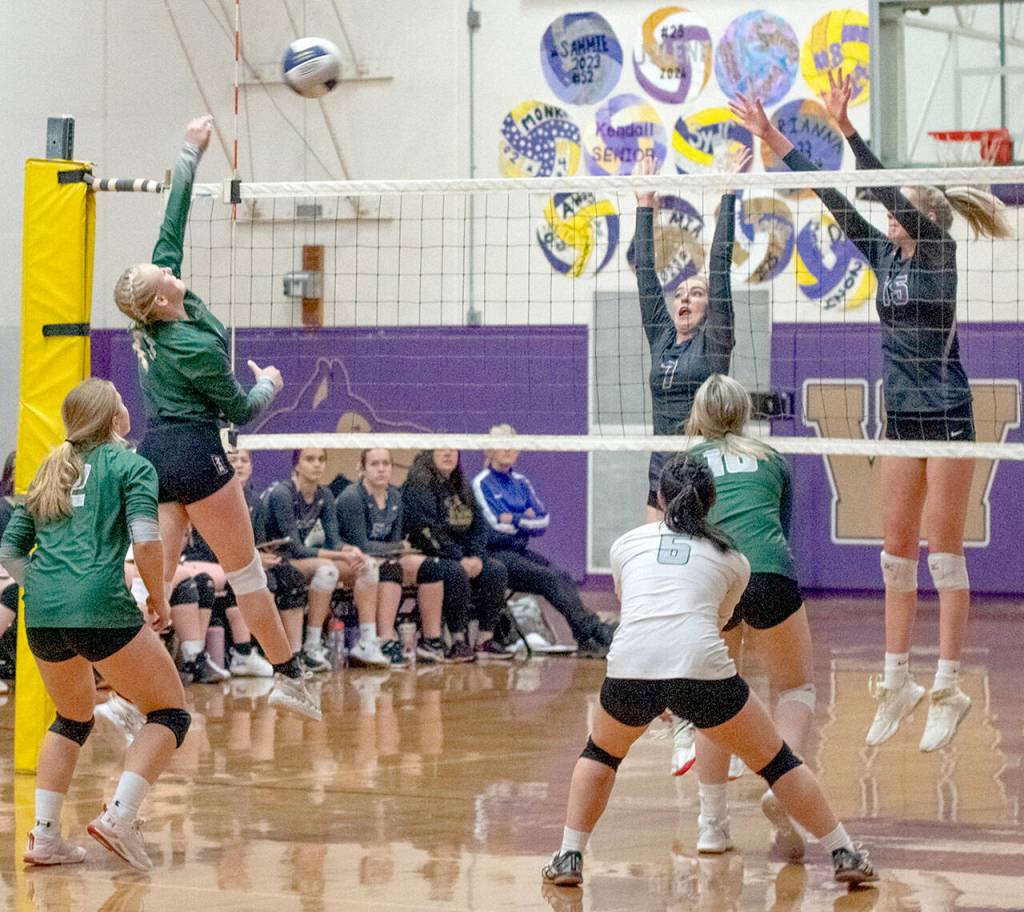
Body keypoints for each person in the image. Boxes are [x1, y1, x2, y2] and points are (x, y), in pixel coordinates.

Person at [731, 73, 1012, 752]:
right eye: (890, 214)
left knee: (943, 556)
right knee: (894, 559)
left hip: (947, 415)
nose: (889, 218)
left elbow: (882, 188)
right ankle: (898, 680)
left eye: (900, 211)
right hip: (900, 417)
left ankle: (947, 686)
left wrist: (849, 129)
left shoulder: (939, 254)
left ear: (921, 218)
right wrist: (777, 140)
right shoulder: (883, 253)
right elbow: (833, 199)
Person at [541, 454, 877, 888]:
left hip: (632, 666)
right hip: (699, 665)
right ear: (711, 501)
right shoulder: (732, 558)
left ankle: (569, 857)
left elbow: (638, 607)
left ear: (659, 498)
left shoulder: (625, 545)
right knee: (777, 762)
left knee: (601, 754)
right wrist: (678, 684)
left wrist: (659, 684)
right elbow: (716, 623)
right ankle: (844, 851)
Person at [112, 115, 319, 720]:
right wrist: (270, 383)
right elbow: (241, 412)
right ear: (158, 299)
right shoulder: (194, 350)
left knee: (158, 581)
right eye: (165, 274)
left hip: (156, 456)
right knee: (246, 570)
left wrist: (189, 150)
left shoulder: (155, 310)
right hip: (195, 455)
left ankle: (126, 700)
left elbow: (170, 220)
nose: (172, 270)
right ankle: (288, 676)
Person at [0, 379, 190, 871]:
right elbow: (147, 541)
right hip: (100, 604)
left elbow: (8, 551)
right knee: (170, 714)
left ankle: (44, 838)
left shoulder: (47, 469)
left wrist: (42, 586)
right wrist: (159, 599)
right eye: (123, 403)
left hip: (41, 609)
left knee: (72, 717)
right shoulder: (131, 465)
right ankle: (119, 818)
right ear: (114, 420)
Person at [684, 374, 816, 858]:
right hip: (767, 571)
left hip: (712, 576)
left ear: (699, 414)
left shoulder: (685, 463)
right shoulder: (771, 459)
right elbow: (778, 528)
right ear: (744, 413)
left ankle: (711, 826)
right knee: (795, 688)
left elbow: (679, 537)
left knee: (715, 699)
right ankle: (783, 787)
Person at [633, 150, 748, 523]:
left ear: (710, 306)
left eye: (696, 293)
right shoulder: (663, 336)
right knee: (652, 561)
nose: (684, 297)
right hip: (661, 464)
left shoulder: (714, 340)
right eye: (680, 292)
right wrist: (644, 203)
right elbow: (646, 273)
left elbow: (719, 265)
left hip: (701, 466)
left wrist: (728, 196)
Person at [471, 425, 615, 657]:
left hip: (518, 551)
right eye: (502, 444)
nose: (508, 450)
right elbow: (494, 526)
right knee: (548, 578)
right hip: (495, 555)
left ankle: (586, 638)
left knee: (562, 575)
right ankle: (595, 630)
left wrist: (513, 519)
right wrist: (523, 517)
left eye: (512, 445)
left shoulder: (521, 482)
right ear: (489, 450)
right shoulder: (481, 483)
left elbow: (543, 520)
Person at [262, 447, 387, 669]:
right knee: (328, 569)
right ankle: (312, 646)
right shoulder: (283, 493)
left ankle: (367, 642)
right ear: (296, 465)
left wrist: (349, 550)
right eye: (310, 459)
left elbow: (334, 540)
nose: (317, 464)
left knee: (366, 565)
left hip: (302, 558)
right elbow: (296, 548)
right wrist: (340, 555)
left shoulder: (324, 494)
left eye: (321, 459)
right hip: (277, 559)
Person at [335, 448, 447, 666]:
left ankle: (430, 641)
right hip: (351, 558)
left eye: (386, 464)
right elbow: (362, 544)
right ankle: (385, 638)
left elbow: (395, 544)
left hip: (384, 556)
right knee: (389, 567)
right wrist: (396, 547)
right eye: (375, 464)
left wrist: (395, 548)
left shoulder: (395, 496)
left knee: (432, 566)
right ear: (362, 468)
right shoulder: (352, 497)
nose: (381, 469)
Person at [403, 450, 512, 661]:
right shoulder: (419, 486)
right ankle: (457, 641)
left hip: (466, 555)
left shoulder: (462, 486)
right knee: (455, 572)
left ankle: (484, 640)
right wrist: (459, 558)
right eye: (442, 449)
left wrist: (477, 557)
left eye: (453, 450)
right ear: (429, 454)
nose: (448, 453)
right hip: (433, 553)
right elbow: (426, 530)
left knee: (496, 570)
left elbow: (480, 526)